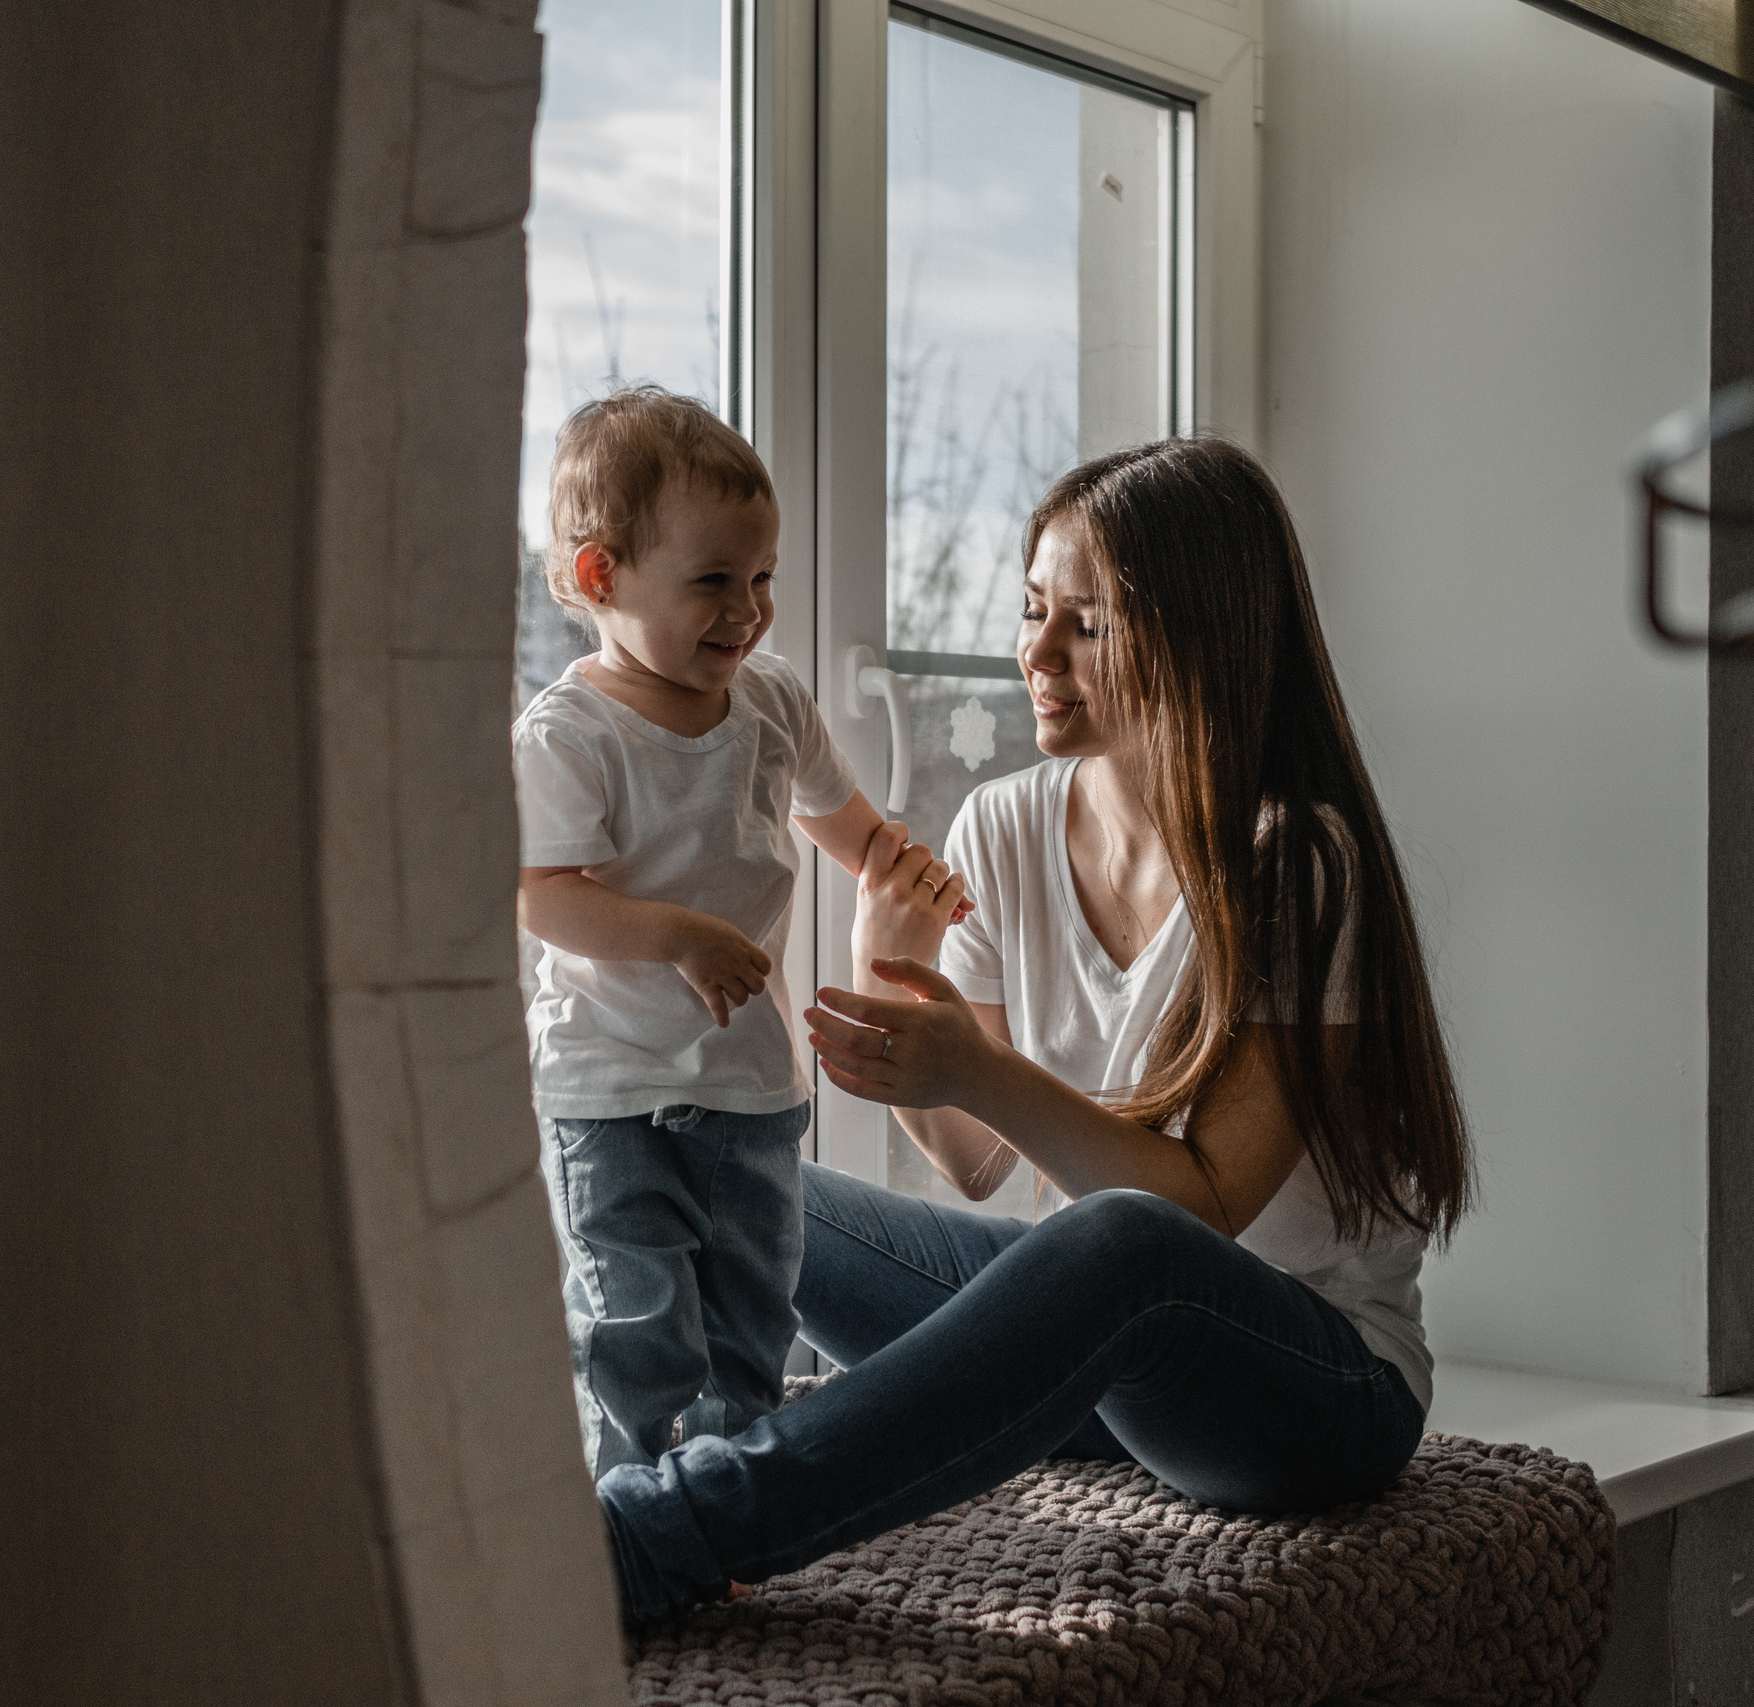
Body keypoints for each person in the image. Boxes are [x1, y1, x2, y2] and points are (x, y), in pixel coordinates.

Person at [596, 436, 1473, 1622]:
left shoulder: (1294, 862)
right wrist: (894, 977)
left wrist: (986, 1068)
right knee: (732, 1178)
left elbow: (1198, 1210)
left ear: (1198, 634)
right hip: (1112, 1372)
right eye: (1029, 610)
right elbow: (973, 1161)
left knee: (1124, 1243)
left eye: (1086, 625)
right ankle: (651, 1458)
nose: (1035, 654)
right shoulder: (1003, 823)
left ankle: (652, 1538)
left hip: (1310, 1390)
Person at [515, 387, 968, 1477]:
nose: (747, 610)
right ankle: (624, 1510)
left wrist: (899, 870)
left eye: (761, 579)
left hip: (747, 1083)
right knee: (635, 1318)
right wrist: (676, 933)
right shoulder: (572, 732)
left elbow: (841, 819)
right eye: (712, 582)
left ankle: (727, 1502)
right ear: (599, 576)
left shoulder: (769, 704)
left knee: (749, 1316)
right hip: (610, 1087)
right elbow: (540, 893)